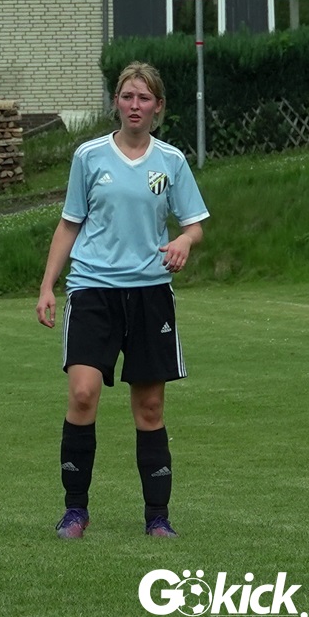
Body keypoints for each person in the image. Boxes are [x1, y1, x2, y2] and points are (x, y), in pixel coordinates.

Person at [35, 61, 209, 540]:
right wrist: (48, 285)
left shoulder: (171, 161)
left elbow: (194, 224)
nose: (135, 105)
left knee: (150, 407)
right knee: (82, 393)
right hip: (93, 289)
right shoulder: (89, 156)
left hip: (151, 294)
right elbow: (69, 223)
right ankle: (75, 512)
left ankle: (157, 517)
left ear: (158, 106)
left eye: (144, 98)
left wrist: (184, 240)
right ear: (116, 102)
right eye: (127, 96)